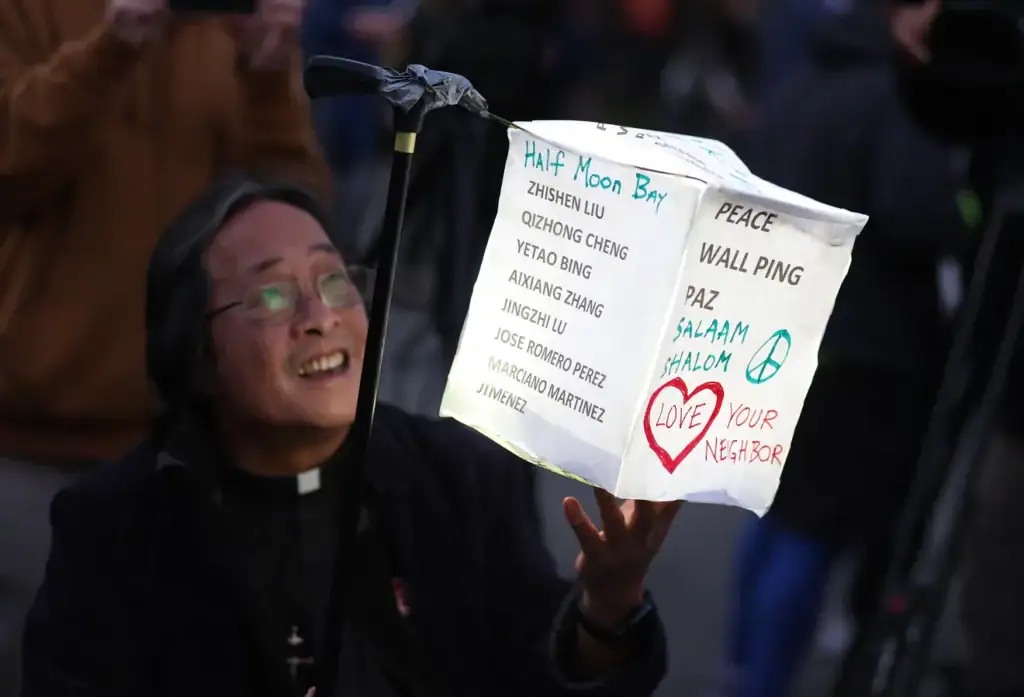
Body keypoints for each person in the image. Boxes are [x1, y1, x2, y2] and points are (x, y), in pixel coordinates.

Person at [21, 174, 677, 697]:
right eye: (273, 296)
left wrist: (609, 609)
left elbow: (540, 671)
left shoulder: (461, 476)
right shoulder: (118, 525)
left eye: (334, 281)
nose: (320, 316)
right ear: (195, 353)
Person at [0, 0, 327, 689]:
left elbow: (293, 225)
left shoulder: (221, 27)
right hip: (33, 441)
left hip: (193, 442)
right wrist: (112, 46)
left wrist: (268, 76)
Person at [719, 1, 968, 696]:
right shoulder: (894, 97)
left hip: (788, 332)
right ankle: (760, 682)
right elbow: (921, 215)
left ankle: (740, 667)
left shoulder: (804, 81)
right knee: (810, 530)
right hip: (865, 354)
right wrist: (966, 210)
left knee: (776, 514)